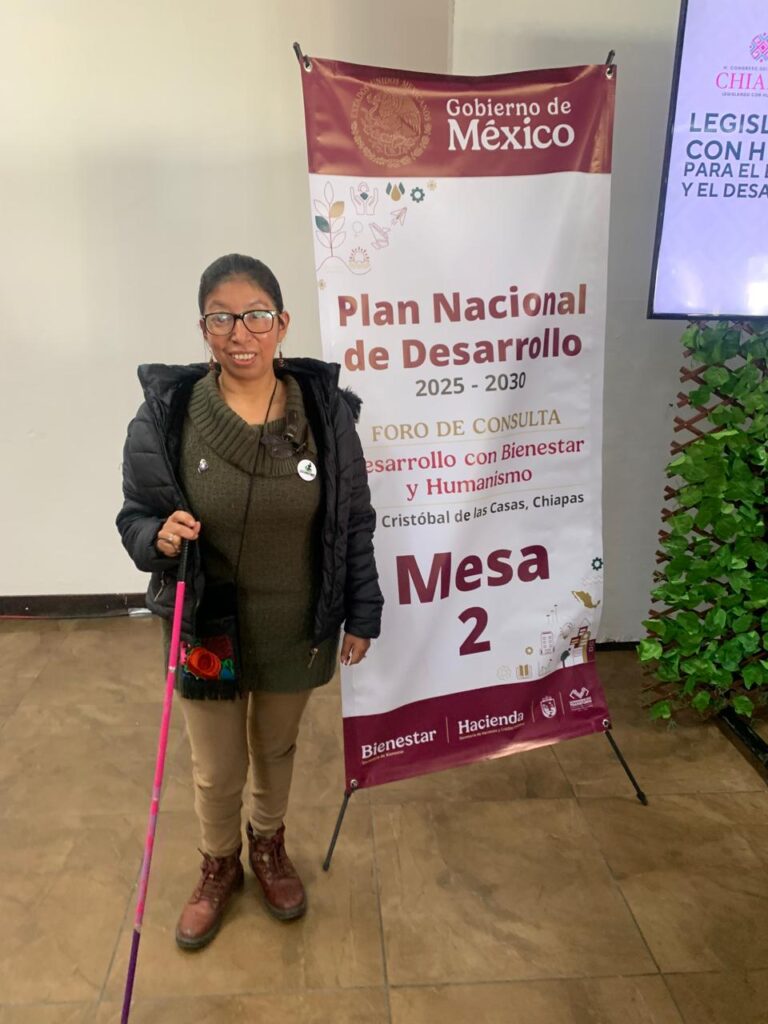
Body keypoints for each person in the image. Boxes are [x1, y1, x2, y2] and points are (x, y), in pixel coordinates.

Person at [117, 253, 383, 950]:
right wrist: (160, 538)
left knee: (277, 745)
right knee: (216, 765)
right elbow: (135, 519)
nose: (241, 333)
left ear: (282, 323)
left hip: (300, 620)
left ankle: (267, 845)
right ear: (204, 328)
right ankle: (219, 863)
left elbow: (353, 517)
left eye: (256, 316)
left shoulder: (324, 414)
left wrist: (364, 608)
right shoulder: (166, 416)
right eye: (222, 318)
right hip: (211, 623)